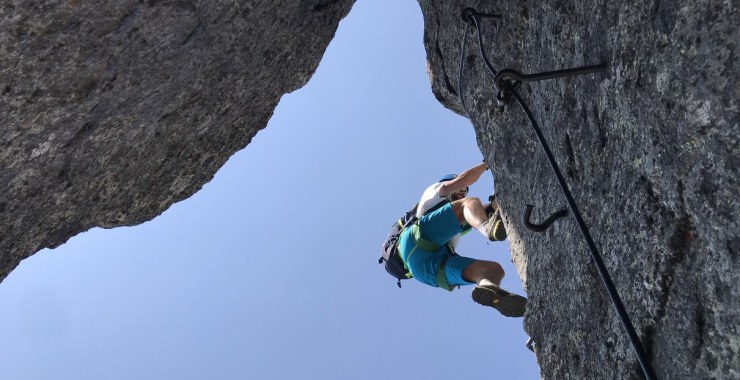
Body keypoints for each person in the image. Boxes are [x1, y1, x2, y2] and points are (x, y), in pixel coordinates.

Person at [397, 161, 527, 317]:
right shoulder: (434, 193)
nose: (462, 193)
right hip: (417, 240)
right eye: (459, 192)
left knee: (493, 270)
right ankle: (487, 228)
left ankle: (490, 289)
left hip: (426, 271)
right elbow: (463, 181)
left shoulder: (454, 221)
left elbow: (491, 208)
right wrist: (487, 163)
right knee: (471, 203)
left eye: (464, 193)